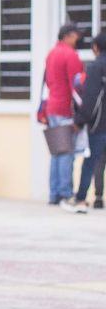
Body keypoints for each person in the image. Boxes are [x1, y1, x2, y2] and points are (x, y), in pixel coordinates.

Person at [45, 24, 85, 208]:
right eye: (76, 36)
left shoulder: (51, 53)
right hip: (65, 109)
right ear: (68, 36)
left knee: (56, 152)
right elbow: (76, 87)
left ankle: (54, 193)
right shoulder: (70, 55)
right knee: (66, 152)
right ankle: (65, 193)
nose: (78, 40)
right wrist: (81, 115)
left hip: (52, 107)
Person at [67, 31, 106, 214]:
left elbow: (90, 97)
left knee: (92, 161)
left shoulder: (96, 67)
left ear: (96, 48)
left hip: (99, 124)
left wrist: (80, 120)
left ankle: (81, 198)